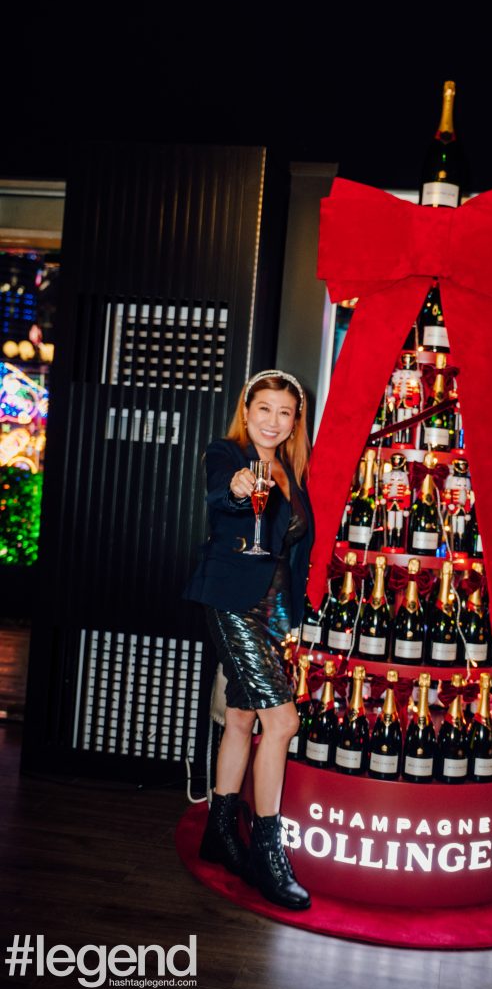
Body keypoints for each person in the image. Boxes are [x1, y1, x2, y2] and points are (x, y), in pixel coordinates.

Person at [184, 369, 314, 910]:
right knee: (282, 722)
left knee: (240, 718)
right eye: (264, 409)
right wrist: (239, 488)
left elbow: (293, 550)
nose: (273, 421)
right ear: (246, 410)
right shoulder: (228, 454)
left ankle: (218, 832)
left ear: (295, 421)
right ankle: (267, 852)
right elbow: (224, 492)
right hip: (233, 603)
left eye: (285, 413)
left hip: (275, 614)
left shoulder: (292, 470)